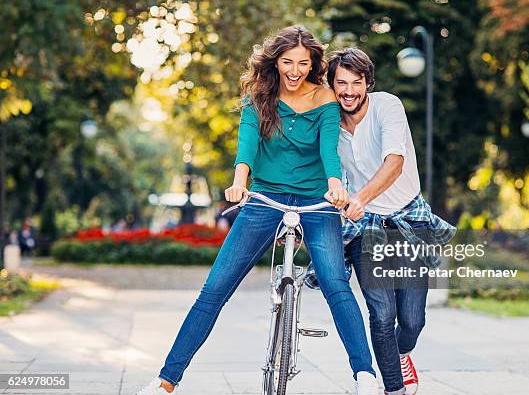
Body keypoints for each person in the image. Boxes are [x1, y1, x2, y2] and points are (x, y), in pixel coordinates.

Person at [135, 27, 379, 395]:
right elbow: (246, 145)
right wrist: (239, 181)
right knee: (215, 289)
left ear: (313, 64)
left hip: (317, 201)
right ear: (275, 62)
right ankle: (167, 380)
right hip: (265, 199)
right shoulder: (260, 96)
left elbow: (330, 148)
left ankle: (365, 376)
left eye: (303, 63)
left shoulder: (326, 97)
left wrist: (335, 184)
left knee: (335, 283)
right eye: (287, 62)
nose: (294, 71)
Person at [324, 48, 456, 395]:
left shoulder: (387, 106)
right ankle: (393, 389)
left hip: (408, 222)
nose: (349, 91)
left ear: (368, 82)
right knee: (381, 315)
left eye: (356, 82)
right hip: (366, 228)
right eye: (341, 83)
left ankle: (402, 354)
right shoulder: (329, 124)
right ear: (332, 85)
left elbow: (394, 162)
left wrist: (360, 198)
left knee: (412, 320)